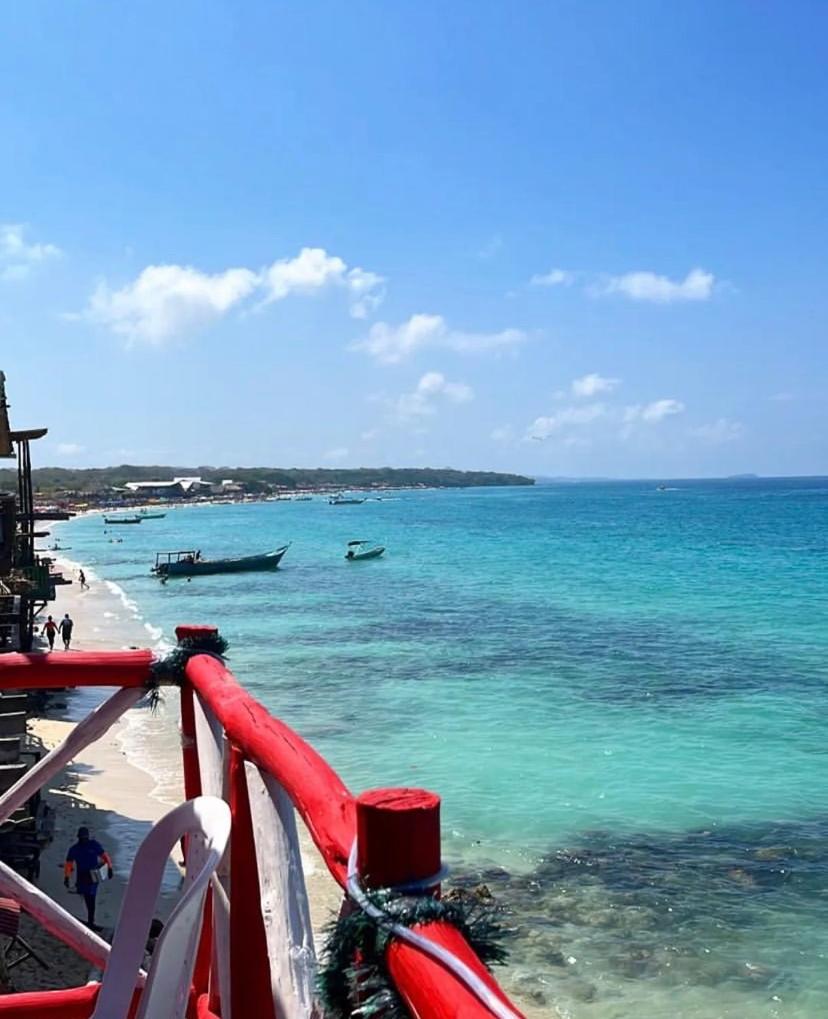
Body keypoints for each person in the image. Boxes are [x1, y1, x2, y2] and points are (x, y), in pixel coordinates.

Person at [64, 826, 113, 930]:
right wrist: (67, 877)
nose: (84, 839)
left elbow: (105, 856)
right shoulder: (75, 849)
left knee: (91, 898)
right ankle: (90, 921)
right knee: (88, 898)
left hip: (93, 876)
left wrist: (109, 868)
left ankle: (91, 921)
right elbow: (69, 864)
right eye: (82, 838)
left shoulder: (93, 845)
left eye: (85, 837)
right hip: (82, 876)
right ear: (79, 837)